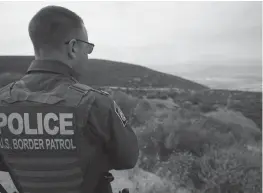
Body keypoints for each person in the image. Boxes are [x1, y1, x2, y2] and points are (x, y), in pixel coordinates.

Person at [0, 5, 139, 193]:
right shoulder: (96, 103)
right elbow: (128, 159)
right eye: (87, 48)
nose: (87, 56)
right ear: (73, 47)